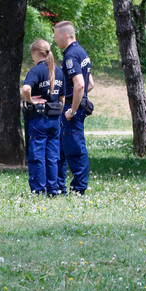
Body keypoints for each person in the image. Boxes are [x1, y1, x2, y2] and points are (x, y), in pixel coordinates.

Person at [53, 21, 95, 195]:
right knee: (62, 149)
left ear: (64, 35)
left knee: (75, 149)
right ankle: (59, 188)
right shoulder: (81, 52)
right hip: (73, 105)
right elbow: (90, 84)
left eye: (55, 36)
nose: (54, 40)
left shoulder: (70, 55)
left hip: (71, 109)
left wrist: (72, 109)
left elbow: (80, 85)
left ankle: (78, 190)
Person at [22, 38, 66, 196]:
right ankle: (53, 190)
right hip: (54, 119)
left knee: (37, 156)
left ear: (36, 53)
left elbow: (26, 88)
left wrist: (30, 100)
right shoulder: (59, 71)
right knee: (52, 156)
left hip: (38, 119)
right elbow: (62, 98)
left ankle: (38, 190)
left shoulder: (36, 71)